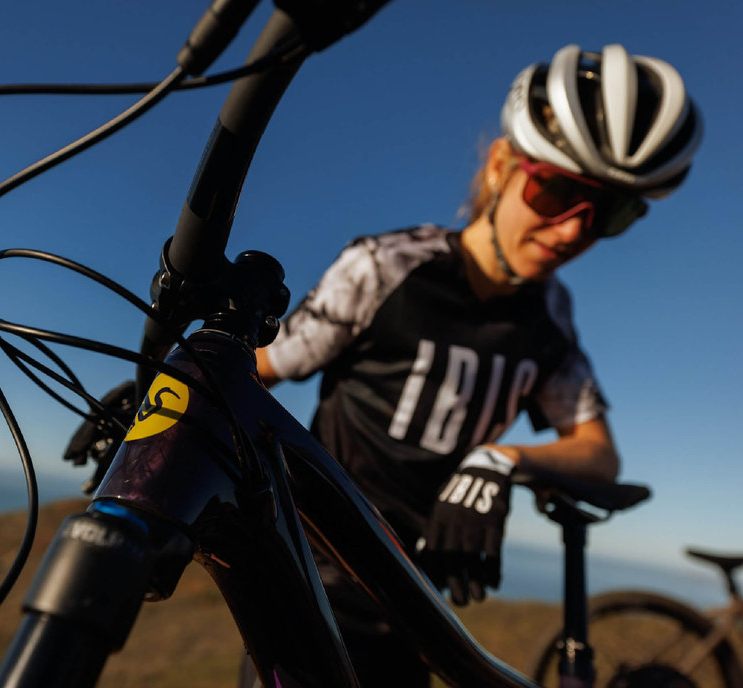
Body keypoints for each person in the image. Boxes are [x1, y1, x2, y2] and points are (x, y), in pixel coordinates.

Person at [247, 43, 703, 685]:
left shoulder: (551, 315)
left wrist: (500, 459)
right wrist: (166, 392)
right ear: (500, 166)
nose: (575, 232)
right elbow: (262, 368)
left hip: (423, 607)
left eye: (610, 213)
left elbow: (598, 451)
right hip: (314, 587)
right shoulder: (384, 267)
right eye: (556, 190)